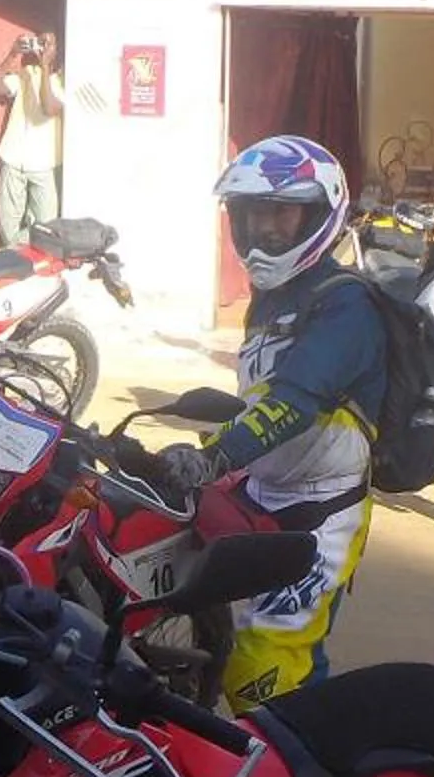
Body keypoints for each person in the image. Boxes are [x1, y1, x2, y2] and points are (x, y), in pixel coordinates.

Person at [153, 136, 387, 709]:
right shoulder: (272, 298)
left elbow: (294, 402)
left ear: (317, 213)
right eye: (252, 213)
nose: (265, 229)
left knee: (265, 666)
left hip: (321, 509)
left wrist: (213, 457)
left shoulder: (345, 305)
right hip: (259, 491)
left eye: (279, 211)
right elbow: (257, 401)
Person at [0, 28, 63, 242]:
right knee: (7, 233)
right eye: (40, 42)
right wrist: (13, 55)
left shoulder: (63, 81)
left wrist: (45, 66)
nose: (42, 48)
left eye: (48, 43)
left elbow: (49, 108)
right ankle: (13, 260)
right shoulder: (26, 74)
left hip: (44, 165)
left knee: (46, 230)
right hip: (13, 160)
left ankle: (28, 256)